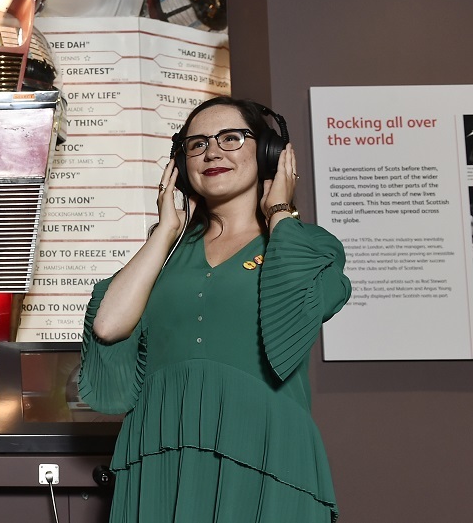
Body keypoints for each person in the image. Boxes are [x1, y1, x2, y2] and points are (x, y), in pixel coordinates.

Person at [79, 96, 351, 523]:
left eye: (231, 138)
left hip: (267, 454)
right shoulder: (165, 257)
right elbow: (109, 326)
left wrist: (279, 210)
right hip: (163, 449)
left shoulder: (307, 245)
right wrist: (167, 231)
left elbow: (293, 319)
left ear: (268, 152)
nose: (212, 152)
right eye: (196, 143)